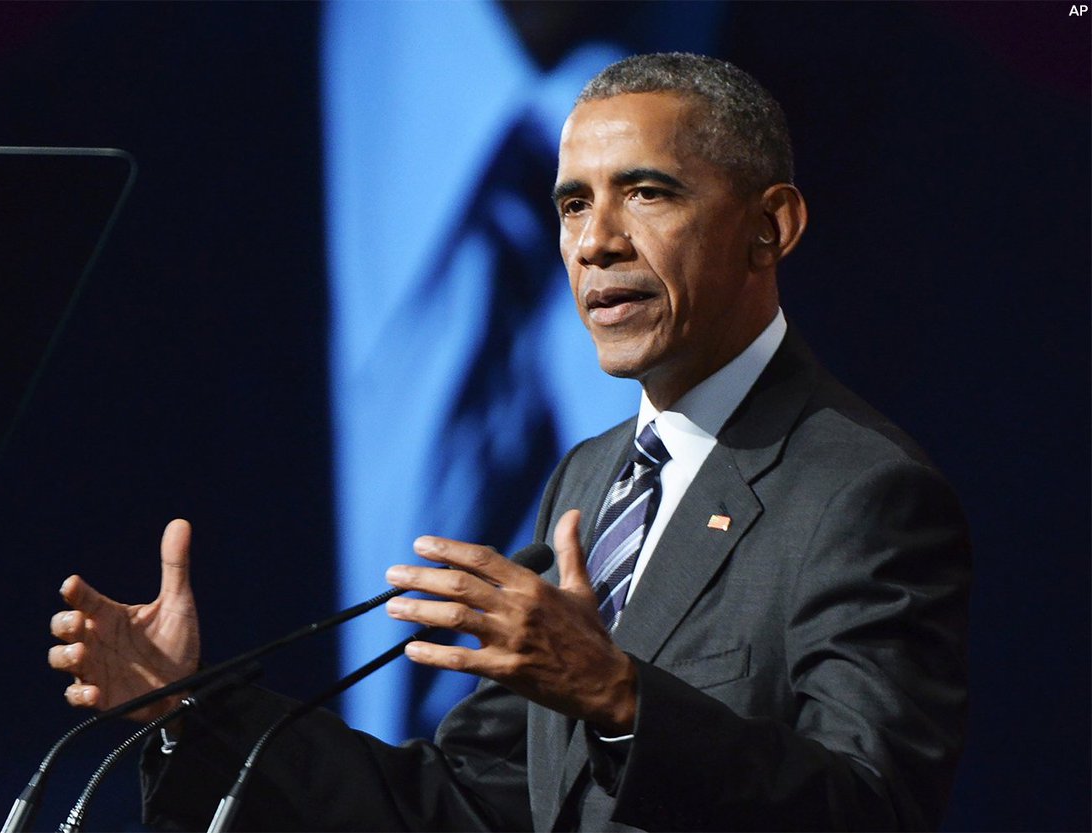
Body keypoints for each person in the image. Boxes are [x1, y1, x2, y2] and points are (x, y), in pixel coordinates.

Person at [49, 53, 970, 831]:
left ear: (771, 227)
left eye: (646, 193)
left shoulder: (861, 491)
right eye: (573, 204)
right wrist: (190, 709)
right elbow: (461, 805)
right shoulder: (592, 474)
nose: (594, 243)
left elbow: (872, 807)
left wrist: (619, 699)